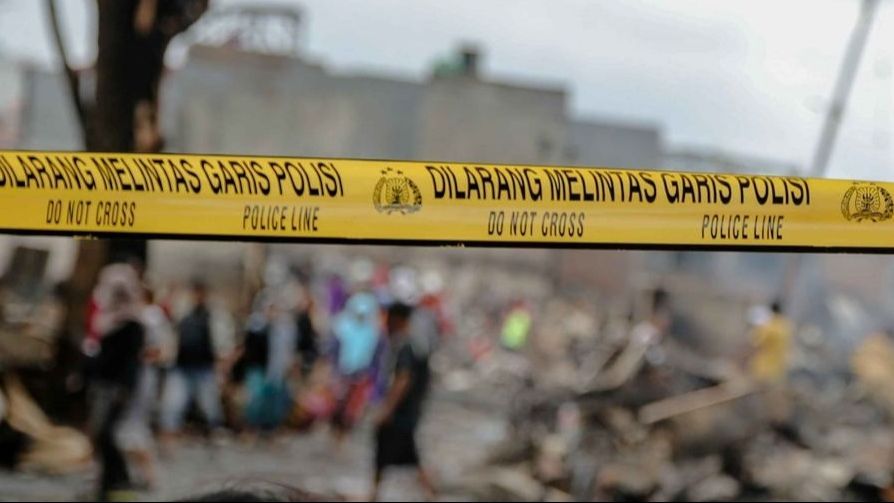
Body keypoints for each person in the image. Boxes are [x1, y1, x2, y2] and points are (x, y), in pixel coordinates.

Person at [371, 303, 435, 501]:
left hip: (400, 412)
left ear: (397, 319)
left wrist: (387, 409)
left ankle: (373, 494)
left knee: (388, 452)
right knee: (409, 456)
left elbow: (403, 379)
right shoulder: (416, 344)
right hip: (408, 411)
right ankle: (429, 494)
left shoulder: (406, 346)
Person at [88, 279, 145, 500]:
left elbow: (131, 362)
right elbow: (100, 356)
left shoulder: (133, 324)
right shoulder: (108, 320)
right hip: (102, 385)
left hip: (117, 388)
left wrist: (125, 388)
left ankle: (120, 480)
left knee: (106, 434)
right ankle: (107, 483)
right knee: (100, 434)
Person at [115, 286, 175, 488]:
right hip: (136, 375)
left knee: (133, 427)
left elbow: (161, 350)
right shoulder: (142, 316)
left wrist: (136, 355)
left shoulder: (151, 317)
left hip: (141, 377)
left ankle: (149, 477)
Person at [160, 280, 234, 441]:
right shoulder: (183, 313)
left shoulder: (212, 315)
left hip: (203, 367)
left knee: (210, 403)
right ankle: (169, 432)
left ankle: (216, 428)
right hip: (182, 366)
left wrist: (222, 362)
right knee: (174, 402)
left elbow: (221, 340)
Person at [328, 292, 386, 440]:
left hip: (361, 376)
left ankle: (344, 436)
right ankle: (335, 436)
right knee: (337, 407)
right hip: (341, 374)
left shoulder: (374, 334)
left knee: (352, 410)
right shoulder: (341, 328)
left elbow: (377, 359)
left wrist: (372, 377)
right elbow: (333, 352)